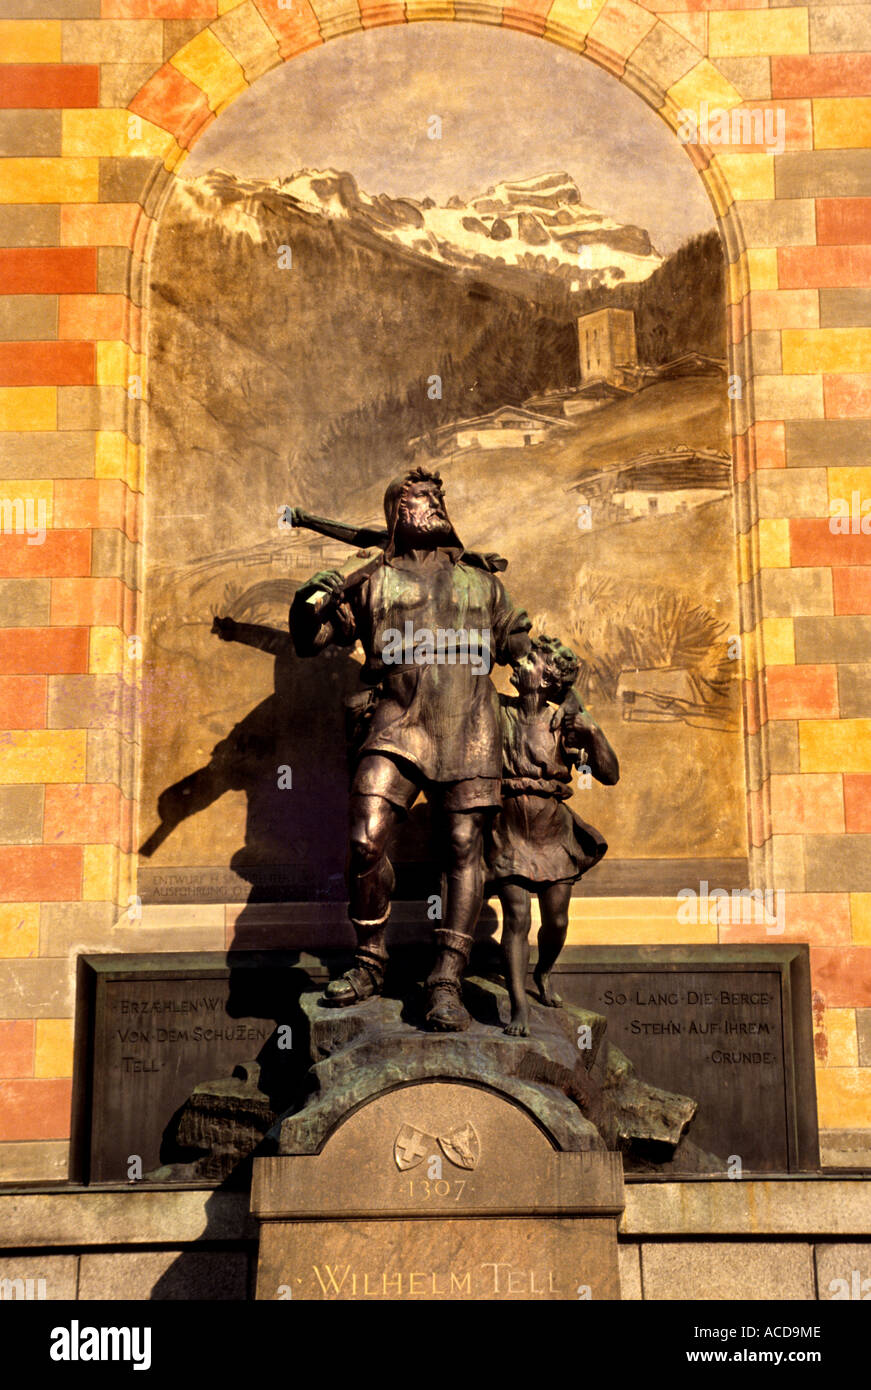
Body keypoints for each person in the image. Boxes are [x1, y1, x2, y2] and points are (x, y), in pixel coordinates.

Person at [289, 466, 532, 1031]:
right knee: (365, 838)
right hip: (397, 722)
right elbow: (311, 640)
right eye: (419, 496)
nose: (432, 503)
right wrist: (315, 597)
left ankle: (445, 979)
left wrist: (541, 674)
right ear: (396, 512)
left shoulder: (481, 580)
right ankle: (371, 960)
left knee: (463, 844)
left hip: (471, 725)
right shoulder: (372, 577)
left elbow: (519, 642)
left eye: (435, 496)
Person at [488, 635, 619, 1036]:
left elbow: (610, 775)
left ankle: (543, 972)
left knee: (557, 920)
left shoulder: (564, 722)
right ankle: (519, 1006)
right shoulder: (497, 710)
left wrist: (592, 731)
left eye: (529, 663)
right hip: (507, 832)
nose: (518, 665)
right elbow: (470, 679)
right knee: (516, 918)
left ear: (546, 682)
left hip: (553, 835)